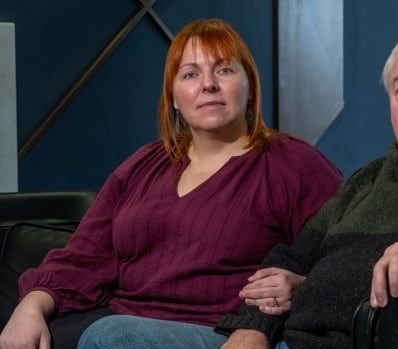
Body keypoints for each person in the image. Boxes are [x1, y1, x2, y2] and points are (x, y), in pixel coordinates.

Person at [76, 23, 398, 349]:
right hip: (283, 339)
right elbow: (292, 255)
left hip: (334, 344)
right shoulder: (370, 180)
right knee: (104, 334)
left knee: (112, 337)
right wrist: (253, 328)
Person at [0, 18, 342, 349]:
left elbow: (350, 255)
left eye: (224, 69)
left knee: (112, 337)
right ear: (175, 98)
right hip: (120, 319)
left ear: (249, 86)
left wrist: (305, 286)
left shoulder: (293, 165)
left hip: (223, 332)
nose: (208, 84)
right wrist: (30, 306)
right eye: (191, 74)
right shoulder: (142, 166)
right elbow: (84, 257)